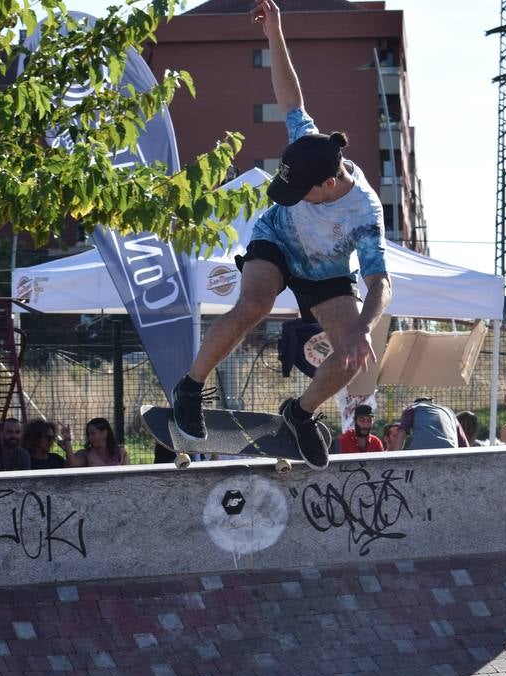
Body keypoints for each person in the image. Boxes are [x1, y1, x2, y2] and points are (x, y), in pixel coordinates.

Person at [169, 0, 392, 470]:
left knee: (354, 353)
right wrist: (274, 33)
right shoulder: (312, 143)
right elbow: (293, 99)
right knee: (254, 304)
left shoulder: (365, 213)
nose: (293, 195)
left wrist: (362, 330)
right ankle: (189, 387)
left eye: (301, 192)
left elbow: (380, 284)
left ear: (329, 186)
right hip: (275, 241)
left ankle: (301, 413)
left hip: (327, 268)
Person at [392, 397, 468, 450]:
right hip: (450, 453)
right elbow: (464, 444)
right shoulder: (449, 412)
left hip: (422, 453)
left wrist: (394, 457)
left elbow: (402, 432)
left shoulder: (412, 408)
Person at [63, 417, 129, 467]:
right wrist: (67, 440)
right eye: (88, 434)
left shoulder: (121, 453)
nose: (90, 437)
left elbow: (127, 475)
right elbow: (73, 463)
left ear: (104, 433)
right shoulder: (87, 454)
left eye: (93, 433)